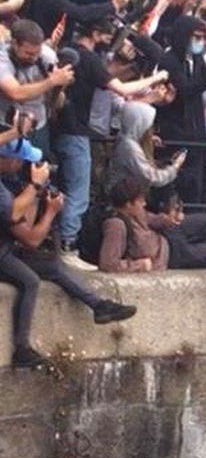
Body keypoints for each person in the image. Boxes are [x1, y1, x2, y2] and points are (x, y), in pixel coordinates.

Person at [0, 148, 136, 369]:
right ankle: (21, 348)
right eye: (18, 159)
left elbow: (25, 226)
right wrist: (50, 210)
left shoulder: (10, 183)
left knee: (52, 266)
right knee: (30, 280)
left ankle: (99, 305)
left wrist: (34, 196)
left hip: (6, 248)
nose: (21, 164)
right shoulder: (3, 192)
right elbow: (31, 239)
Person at [54, 19, 169, 266]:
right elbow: (123, 91)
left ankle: (66, 243)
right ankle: (68, 246)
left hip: (66, 129)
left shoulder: (73, 54)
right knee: (79, 192)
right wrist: (157, 76)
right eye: (107, 36)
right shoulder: (88, 59)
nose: (111, 43)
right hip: (76, 132)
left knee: (72, 188)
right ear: (95, 33)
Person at [155, 15, 206, 205]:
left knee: (196, 187)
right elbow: (187, 89)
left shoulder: (198, 60)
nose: (200, 42)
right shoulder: (169, 60)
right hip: (176, 131)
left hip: (197, 133)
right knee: (172, 187)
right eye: (196, 37)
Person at [99, 175, 206, 272]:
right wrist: (138, 265)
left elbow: (152, 219)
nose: (144, 204)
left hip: (166, 236)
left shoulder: (136, 212)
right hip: (169, 256)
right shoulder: (116, 225)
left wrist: (170, 219)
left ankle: (204, 240)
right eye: (140, 201)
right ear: (128, 204)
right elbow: (108, 263)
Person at [0, 19, 75, 157]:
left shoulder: (46, 55)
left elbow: (58, 86)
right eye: (28, 53)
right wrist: (51, 81)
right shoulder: (3, 58)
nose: (33, 58)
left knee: (40, 165)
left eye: (37, 52)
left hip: (38, 124)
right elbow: (15, 92)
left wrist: (61, 83)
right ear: (15, 44)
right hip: (6, 124)